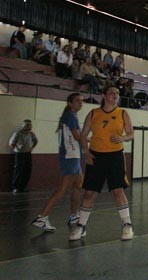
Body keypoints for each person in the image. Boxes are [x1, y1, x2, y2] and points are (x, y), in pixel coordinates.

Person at [69, 86, 135, 241]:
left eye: (117, 93)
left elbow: (131, 134)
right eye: (112, 92)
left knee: (117, 190)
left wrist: (122, 138)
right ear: (104, 95)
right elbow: (83, 135)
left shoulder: (123, 113)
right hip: (96, 156)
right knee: (89, 193)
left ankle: (127, 225)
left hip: (115, 156)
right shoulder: (93, 113)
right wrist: (86, 152)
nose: (115, 95)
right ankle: (81, 226)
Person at [32, 93, 84, 232]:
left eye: (82, 101)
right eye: (77, 101)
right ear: (70, 103)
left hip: (74, 155)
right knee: (62, 188)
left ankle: (73, 215)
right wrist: (94, 139)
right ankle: (42, 217)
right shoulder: (70, 116)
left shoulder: (71, 116)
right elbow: (77, 136)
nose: (81, 103)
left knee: (78, 184)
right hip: (70, 156)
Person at [8, 120, 38, 193]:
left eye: (30, 125)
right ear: (24, 126)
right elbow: (11, 143)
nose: (29, 127)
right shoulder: (18, 133)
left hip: (28, 153)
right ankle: (15, 187)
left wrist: (31, 148)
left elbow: (35, 141)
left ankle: (23, 187)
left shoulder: (31, 134)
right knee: (18, 170)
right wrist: (17, 149)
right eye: (28, 125)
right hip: (19, 154)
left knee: (27, 170)